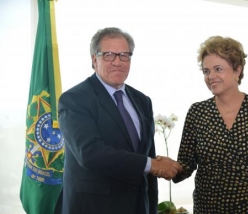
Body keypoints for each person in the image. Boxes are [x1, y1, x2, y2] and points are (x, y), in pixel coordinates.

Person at [58, 27, 182, 214]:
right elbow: (90, 153)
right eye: (109, 55)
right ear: (94, 59)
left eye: (124, 55)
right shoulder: (74, 99)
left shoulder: (142, 100)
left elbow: (148, 156)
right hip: (93, 208)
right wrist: (151, 164)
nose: (118, 62)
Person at [172, 36, 248, 213]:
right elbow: (186, 165)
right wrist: (161, 166)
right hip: (210, 208)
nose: (210, 77)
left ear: (237, 70)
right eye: (206, 71)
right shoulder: (197, 112)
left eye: (218, 69)